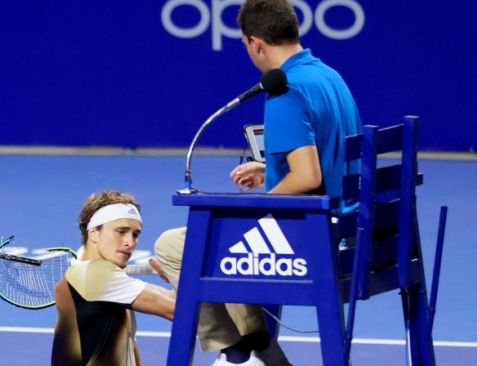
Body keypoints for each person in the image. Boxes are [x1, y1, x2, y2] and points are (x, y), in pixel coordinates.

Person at [154, 0, 362, 365]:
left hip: (312, 244)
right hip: (349, 231)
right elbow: (328, 162)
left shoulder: (285, 90)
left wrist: (258, 203)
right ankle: (258, 348)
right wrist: (271, 171)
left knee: (176, 245)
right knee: (232, 234)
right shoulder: (330, 76)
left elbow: (308, 177)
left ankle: (240, 352)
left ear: (255, 43)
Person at [51, 191, 175, 366]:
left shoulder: (90, 276)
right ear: (93, 233)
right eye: (121, 231)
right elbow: (178, 309)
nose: (130, 242)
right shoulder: (94, 275)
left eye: (135, 234)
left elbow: (128, 344)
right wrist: (178, 274)